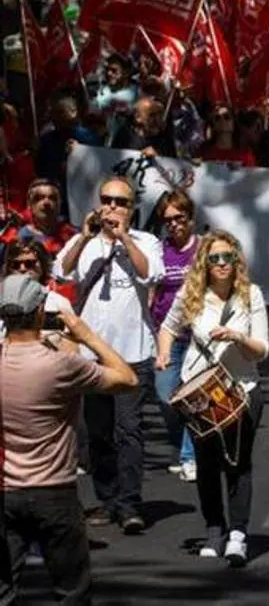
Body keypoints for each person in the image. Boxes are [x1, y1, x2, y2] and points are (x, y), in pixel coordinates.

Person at [0, 275, 137, 605]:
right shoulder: (61, 364)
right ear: (38, 313)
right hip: (54, 492)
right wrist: (86, 335)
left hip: (6, 491)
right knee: (72, 591)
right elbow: (127, 378)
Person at [55, 175, 164, 535]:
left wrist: (124, 239)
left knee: (129, 429)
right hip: (90, 356)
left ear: (132, 208)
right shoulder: (82, 240)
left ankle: (130, 503)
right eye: (107, 200)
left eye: (120, 202)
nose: (113, 207)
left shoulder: (146, 242)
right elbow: (61, 269)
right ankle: (107, 498)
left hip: (132, 352)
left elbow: (151, 275)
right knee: (98, 432)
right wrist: (86, 236)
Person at [155, 232, 269, 566]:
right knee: (206, 465)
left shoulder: (251, 295)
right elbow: (168, 328)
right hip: (201, 392)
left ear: (237, 261)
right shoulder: (192, 295)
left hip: (242, 388)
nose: (221, 264)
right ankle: (214, 529)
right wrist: (164, 353)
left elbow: (262, 350)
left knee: (237, 463)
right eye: (214, 258)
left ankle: (238, 534)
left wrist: (237, 337)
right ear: (204, 262)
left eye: (227, 257)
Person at [150, 191, 200, 482]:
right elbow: (152, 289)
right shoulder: (158, 250)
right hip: (167, 334)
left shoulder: (202, 249)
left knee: (191, 396)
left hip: (196, 337)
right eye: (167, 220)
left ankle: (189, 456)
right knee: (166, 396)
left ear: (190, 218)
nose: (174, 224)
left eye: (179, 218)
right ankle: (183, 443)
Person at [0, 180, 77, 270]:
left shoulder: (74, 236)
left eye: (52, 198)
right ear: (29, 204)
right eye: (38, 198)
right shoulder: (15, 239)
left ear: (60, 203)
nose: (46, 203)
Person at [110, 96, 177, 159]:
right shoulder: (124, 135)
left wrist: (159, 157)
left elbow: (173, 165)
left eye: (159, 114)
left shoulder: (165, 139)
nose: (157, 119)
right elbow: (113, 158)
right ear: (138, 117)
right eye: (152, 115)